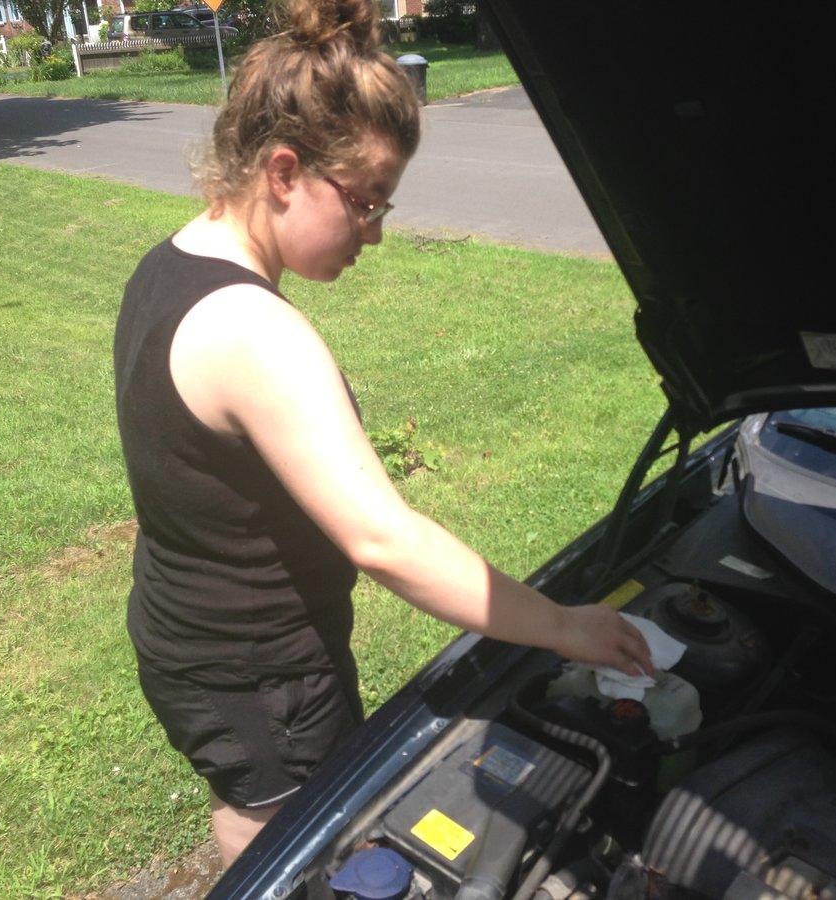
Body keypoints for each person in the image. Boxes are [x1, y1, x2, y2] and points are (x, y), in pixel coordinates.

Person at [112, 0, 654, 868]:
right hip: (262, 673)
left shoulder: (171, 262)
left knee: (251, 799)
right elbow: (385, 540)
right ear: (283, 172)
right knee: (293, 833)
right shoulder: (254, 333)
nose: (374, 233)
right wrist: (561, 626)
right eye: (365, 202)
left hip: (192, 638)